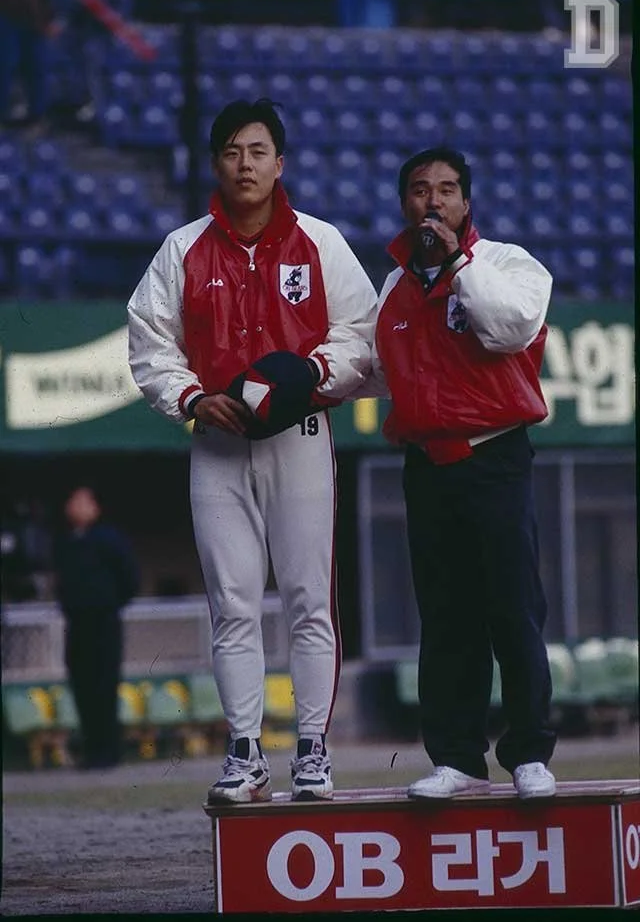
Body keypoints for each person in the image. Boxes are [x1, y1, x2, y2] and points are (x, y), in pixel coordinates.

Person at [127, 98, 377, 804]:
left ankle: (312, 750)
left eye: (258, 151)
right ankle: (244, 754)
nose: (245, 164)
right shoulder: (182, 249)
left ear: (280, 162)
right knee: (233, 603)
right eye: (233, 152)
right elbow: (150, 340)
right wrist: (190, 398)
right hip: (216, 441)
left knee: (308, 599)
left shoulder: (321, 243)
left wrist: (312, 375)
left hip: (301, 436)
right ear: (216, 163)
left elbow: (362, 333)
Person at [367, 146, 557, 800]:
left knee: (513, 608)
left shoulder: (508, 263)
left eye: (447, 190)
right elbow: (375, 369)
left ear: (466, 203)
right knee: (446, 617)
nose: (434, 201)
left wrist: (456, 263)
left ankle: (529, 754)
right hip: (427, 465)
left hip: (494, 457)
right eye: (420, 190)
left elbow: (508, 329)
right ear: (405, 204)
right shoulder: (393, 287)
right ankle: (456, 760)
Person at [53, 485, 139, 769]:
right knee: (82, 686)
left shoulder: (109, 539)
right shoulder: (66, 542)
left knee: (104, 686)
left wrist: (108, 603)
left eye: (82, 501)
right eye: (72, 501)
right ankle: (91, 752)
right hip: (76, 624)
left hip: (103, 623)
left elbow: (129, 578)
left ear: (95, 507)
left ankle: (108, 752)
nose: (75, 507)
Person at [0, 0, 57, 131]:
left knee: (37, 67)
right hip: (6, 16)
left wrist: (49, 17)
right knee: (5, 66)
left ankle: (37, 117)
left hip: (34, 19)